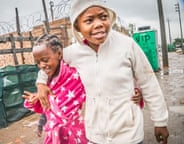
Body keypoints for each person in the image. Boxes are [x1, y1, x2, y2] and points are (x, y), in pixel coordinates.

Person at [35, 0, 169, 143]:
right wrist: (41, 83)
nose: (98, 24)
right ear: (77, 27)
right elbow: (49, 64)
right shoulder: (73, 53)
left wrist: (160, 121)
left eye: (103, 17)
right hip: (95, 134)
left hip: (129, 134)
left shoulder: (126, 45)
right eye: (89, 20)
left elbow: (148, 81)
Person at [23, 34, 88, 144]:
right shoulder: (46, 81)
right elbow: (47, 108)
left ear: (59, 54)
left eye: (45, 60)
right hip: (55, 135)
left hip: (75, 132)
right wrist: (36, 99)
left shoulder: (73, 75)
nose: (42, 65)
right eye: (38, 62)